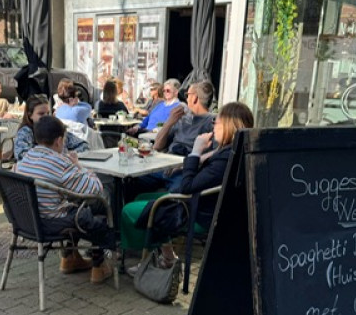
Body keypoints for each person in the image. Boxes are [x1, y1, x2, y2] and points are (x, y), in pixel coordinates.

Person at [121, 101, 254, 268]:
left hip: (196, 212)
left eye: (216, 122)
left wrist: (195, 153)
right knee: (142, 197)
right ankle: (167, 256)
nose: (213, 126)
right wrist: (203, 157)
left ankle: (147, 260)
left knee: (128, 210)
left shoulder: (225, 159)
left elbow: (187, 187)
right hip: (201, 205)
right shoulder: (236, 152)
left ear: (229, 126)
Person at [16, 115, 115, 284]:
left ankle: (70, 257)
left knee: (74, 205)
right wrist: (78, 166)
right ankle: (99, 266)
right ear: (59, 141)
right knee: (102, 206)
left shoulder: (25, 159)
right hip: (51, 223)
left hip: (26, 221)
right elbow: (95, 188)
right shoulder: (60, 164)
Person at [128, 80, 216, 197]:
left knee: (175, 197)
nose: (186, 99)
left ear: (195, 98)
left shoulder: (212, 122)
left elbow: (217, 151)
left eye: (187, 95)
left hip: (184, 170)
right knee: (131, 181)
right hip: (165, 165)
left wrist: (185, 165)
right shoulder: (182, 118)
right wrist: (170, 121)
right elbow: (157, 146)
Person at [14, 95, 89, 162]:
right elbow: (21, 155)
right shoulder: (25, 132)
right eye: (41, 114)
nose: (46, 116)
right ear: (30, 115)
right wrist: (53, 158)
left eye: (48, 113)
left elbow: (83, 144)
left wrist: (69, 155)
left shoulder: (54, 128)